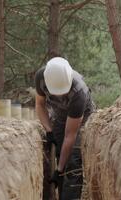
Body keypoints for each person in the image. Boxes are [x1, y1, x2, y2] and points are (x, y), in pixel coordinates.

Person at [35, 57, 95, 200]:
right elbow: (40, 105)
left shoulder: (79, 92)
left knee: (72, 161)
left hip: (81, 118)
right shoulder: (41, 77)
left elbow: (70, 135)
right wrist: (49, 130)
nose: (60, 95)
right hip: (60, 116)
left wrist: (60, 169)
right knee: (59, 153)